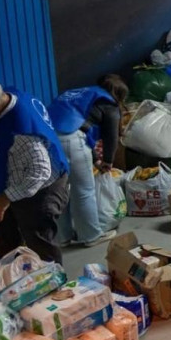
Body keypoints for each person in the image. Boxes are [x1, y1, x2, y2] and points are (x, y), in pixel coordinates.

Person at [0, 75, 69, 263]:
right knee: (8, 240)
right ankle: (12, 282)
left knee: (42, 249)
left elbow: (39, 172)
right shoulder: (6, 96)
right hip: (15, 183)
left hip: (40, 189)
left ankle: (56, 287)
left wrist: (5, 198)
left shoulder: (21, 130)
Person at [48, 74, 128, 247]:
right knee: (84, 190)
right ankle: (90, 236)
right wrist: (108, 160)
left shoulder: (80, 94)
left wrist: (95, 160)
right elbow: (111, 137)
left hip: (47, 140)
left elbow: (81, 131)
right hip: (70, 140)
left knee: (62, 190)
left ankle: (62, 237)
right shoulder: (108, 103)